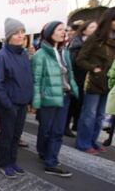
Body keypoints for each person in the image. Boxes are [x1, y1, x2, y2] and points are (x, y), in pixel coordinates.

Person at [32, 21, 78, 177]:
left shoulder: (64, 52)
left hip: (64, 97)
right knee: (45, 130)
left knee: (57, 132)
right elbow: (36, 80)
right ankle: (44, 152)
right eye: (59, 29)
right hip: (48, 99)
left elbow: (69, 73)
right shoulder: (40, 55)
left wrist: (74, 89)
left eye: (64, 29)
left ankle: (51, 162)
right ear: (50, 33)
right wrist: (36, 101)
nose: (63, 32)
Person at [0, 18, 34, 178]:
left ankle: (13, 161)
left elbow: (27, 78)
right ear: (9, 36)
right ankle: (4, 163)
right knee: (7, 135)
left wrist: (29, 99)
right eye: (17, 33)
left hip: (21, 103)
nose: (21, 35)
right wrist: (8, 105)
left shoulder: (23, 54)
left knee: (16, 135)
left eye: (23, 32)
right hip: (9, 105)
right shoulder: (1, 56)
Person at [76, 7, 115, 155]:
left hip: (109, 82)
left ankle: (93, 141)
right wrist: (94, 69)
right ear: (110, 20)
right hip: (94, 81)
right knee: (89, 114)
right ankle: (83, 143)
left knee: (100, 115)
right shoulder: (96, 37)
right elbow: (80, 59)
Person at [65, 20, 98, 136]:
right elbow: (73, 62)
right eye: (92, 27)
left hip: (86, 77)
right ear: (84, 30)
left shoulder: (93, 43)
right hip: (76, 76)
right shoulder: (76, 44)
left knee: (80, 102)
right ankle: (66, 126)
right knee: (73, 102)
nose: (95, 29)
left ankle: (76, 124)